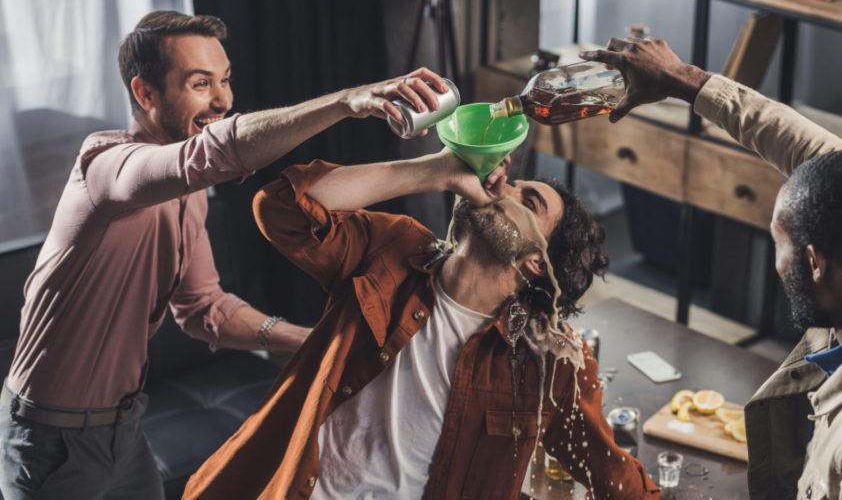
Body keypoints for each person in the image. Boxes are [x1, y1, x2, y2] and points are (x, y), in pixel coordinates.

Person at [1, 10, 448, 500]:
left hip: (125, 429)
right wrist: (346, 102)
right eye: (200, 84)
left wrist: (312, 342)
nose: (223, 100)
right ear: (145, 93)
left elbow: (204, 310)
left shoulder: (190, 195)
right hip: (50, 439)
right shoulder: (105, 167)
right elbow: (210, 154)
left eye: (226, 80)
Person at [583, 37, 842, 499]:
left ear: (813, 263)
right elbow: (811, 149)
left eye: (778, 245)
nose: (776, 264)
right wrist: (686, 81)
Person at [181, 154, 661, 496]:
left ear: (537, 263)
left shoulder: (551, 363)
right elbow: (281, 207)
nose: (502, 185)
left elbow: (613, 476)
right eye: (516, 182)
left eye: (527, 200)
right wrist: (437, 170)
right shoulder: (395, 247)